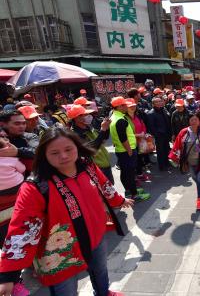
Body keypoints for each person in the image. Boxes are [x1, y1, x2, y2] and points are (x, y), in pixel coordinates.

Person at [0, 127, 133, 296]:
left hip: (95, 236)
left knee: (100, 271)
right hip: (59, 253)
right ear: (44, 155)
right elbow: (22, 228)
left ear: (77, 147)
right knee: (66, 291)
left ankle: (103, 293)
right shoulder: (35, 187)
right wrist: (7, 275)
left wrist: (120, 200)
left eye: (68, 149)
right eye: (54, 152)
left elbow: (104, 185)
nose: (63, 156)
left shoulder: (87, 166)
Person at [169, 111, 200, 210]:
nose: (194, 121)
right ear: (189, 121)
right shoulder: (183, 132)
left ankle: (199, 199)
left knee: (199, 179)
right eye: (192, 119)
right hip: (189, 161)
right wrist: (173, 157)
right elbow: (177, 145)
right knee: (194, 177)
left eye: (196, 119)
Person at [110, 97, 150, 202]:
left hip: (121, 151)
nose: (126, 107)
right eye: (124, 105)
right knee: (130, 173)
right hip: (126, 151)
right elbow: (123, 138)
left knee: (125, 172)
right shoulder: (120, 120)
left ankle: (129, 190)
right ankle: (134, 195)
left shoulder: (115, 117)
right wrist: (129, 150)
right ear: (118, 107)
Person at [69, 104, 114, 184]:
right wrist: (103, 129)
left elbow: (103, 139)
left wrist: (106, 128)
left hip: (104, 163)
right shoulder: (75, 134)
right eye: (85, 115)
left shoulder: (88, 127)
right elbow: (92, 148)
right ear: (77, 118)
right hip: (96, 167)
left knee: (110, 187)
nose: (89, 116)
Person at [0, 129, 25, 247]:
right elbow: (23, 169)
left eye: (6, 137)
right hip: (17, 187)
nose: (7, 140)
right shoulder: (11, 158)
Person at [0, 110, 38, 175]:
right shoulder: (2, 138)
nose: (22, 126)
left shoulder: (30, 137)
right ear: (3, 124)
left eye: (24, 123)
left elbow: (38, 151)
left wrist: (18, 152)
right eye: (17, 124)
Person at [126, 98, 150, 181]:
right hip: (131, 142)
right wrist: (138, 135)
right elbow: (125, 133)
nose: (132, 107)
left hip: (140, 140)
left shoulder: (137, 116)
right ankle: (136, 176)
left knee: (140, 158)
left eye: (133, 106)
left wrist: (143, 133)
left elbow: (143, 125)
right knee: (134, 160)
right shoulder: (125, 119)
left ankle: (139, 174)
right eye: (130, 106)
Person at [146, 97, 172, 172]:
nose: (159, 103)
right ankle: (161, 166)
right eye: (157, 102)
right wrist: (157, 134)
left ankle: (166, 162)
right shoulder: (151, 113)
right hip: (159, 136)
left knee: (166, 149)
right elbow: (151, 127)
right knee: (160, 151)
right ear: (153, 104)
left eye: (160, 101)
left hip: (166, 134)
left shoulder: (163, 110)